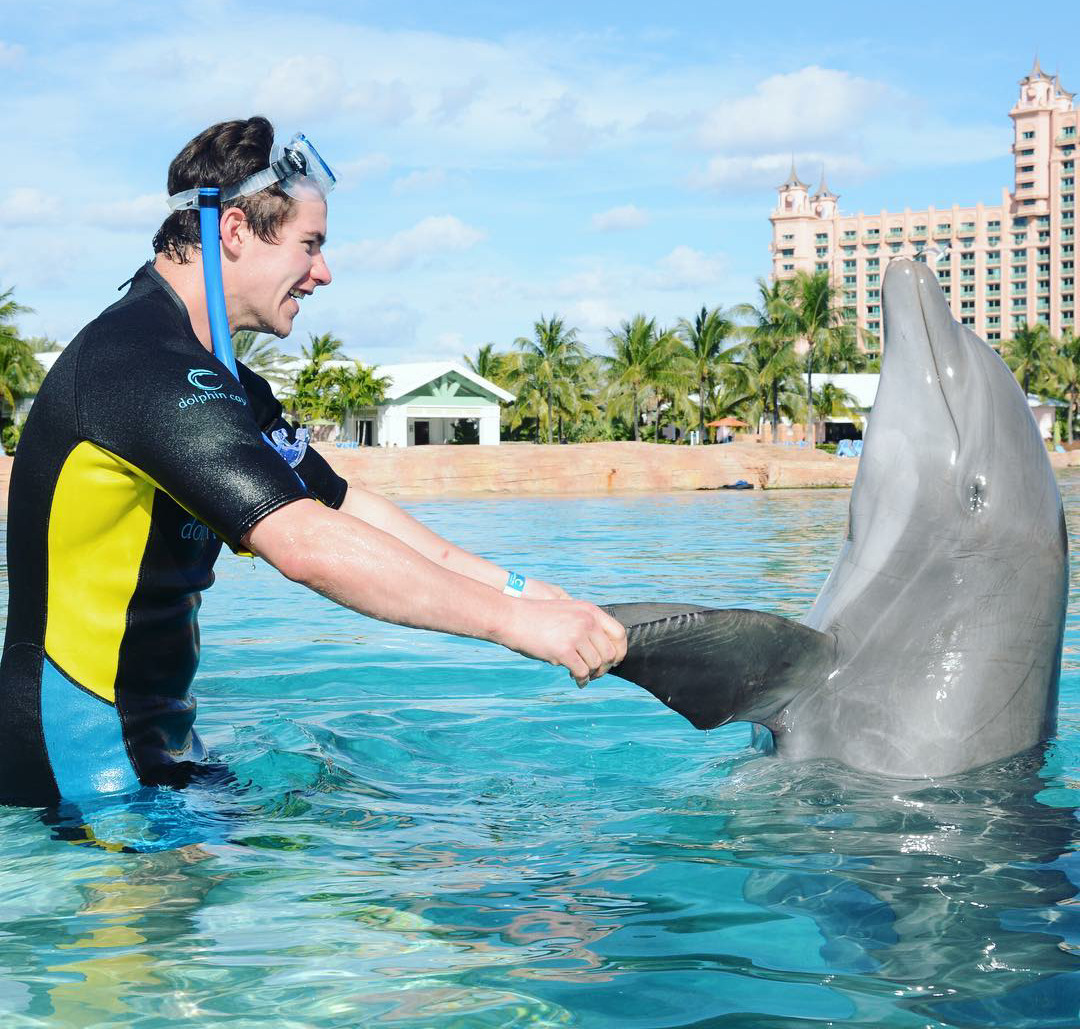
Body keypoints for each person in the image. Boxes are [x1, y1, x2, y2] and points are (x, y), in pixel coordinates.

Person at [0, 117, 626, 806]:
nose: (323, 272)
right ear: (235, 232)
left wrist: (523, 590)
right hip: (84, 775)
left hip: (159, 754)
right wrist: (517, 626)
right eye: (310, 245)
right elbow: (302, 542)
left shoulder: (220, 380)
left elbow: (343, 507)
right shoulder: (139, 366)